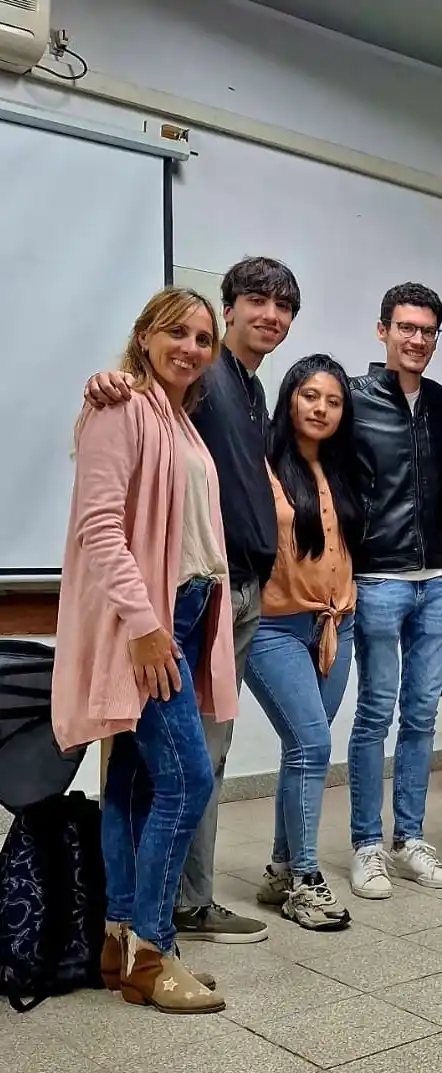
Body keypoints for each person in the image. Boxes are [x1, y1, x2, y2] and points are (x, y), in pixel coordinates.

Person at [83, 256, 302, 946]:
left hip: (217, 595)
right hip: (165, 608)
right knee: (185, 774)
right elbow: (101, 524)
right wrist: (109, 380)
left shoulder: (221, 395)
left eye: (284, 306)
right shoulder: (145, 397)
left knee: (171, 769)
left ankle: (136, 927)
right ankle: (161, 929)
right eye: (256, 302)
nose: (271, 315)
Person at [53, 287, 237, 1013]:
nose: (191, 348)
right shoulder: (120, 405)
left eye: (202, 338)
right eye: (177, 333)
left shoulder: (178, 420)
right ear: (143, 334)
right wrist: (144, 625)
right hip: (153, 625)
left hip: (182, 615)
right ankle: (154, 954)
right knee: (188, 780)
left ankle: (119, 940)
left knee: (133, 784)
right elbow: (100, 530)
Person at [346, 283, 442, 900]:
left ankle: (409, 837)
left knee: (421, 716)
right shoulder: (355, 399)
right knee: (374, 713)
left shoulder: (441, 404)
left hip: (435, 583)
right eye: (406, 327)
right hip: (378, 580)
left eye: (428, 331)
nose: (417, 340)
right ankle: (367, 845)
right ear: (383, 330)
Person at [246, 355, 362, 932]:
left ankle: (280, 868)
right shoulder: (261, 464)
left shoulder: (340, 469)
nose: (321, 408)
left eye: (333, 401)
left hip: (333, 627)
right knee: (313, 744)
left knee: (303, 751)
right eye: (311, 396)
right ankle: (306, 881)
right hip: (273, 628)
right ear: (290, 397)